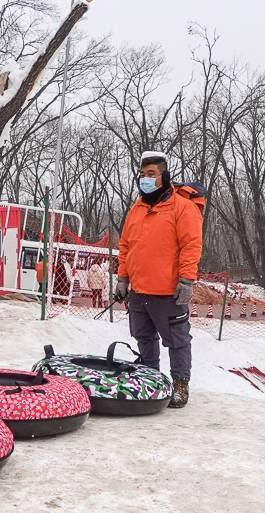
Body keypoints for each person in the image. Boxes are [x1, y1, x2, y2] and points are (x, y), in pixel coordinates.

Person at [113, 151, 202, 409]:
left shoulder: (182, 208)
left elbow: (191, 246)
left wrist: (186, 280)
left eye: (151, 174)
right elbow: (126, 246)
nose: (145, 179)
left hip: (168, 292)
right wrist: (122, 278)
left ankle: (180, 385)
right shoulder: (137, 208)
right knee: (144, 338)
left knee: (177, 341)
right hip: (139, 291)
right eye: (142, 175)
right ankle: (150, 377)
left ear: (164, 176)